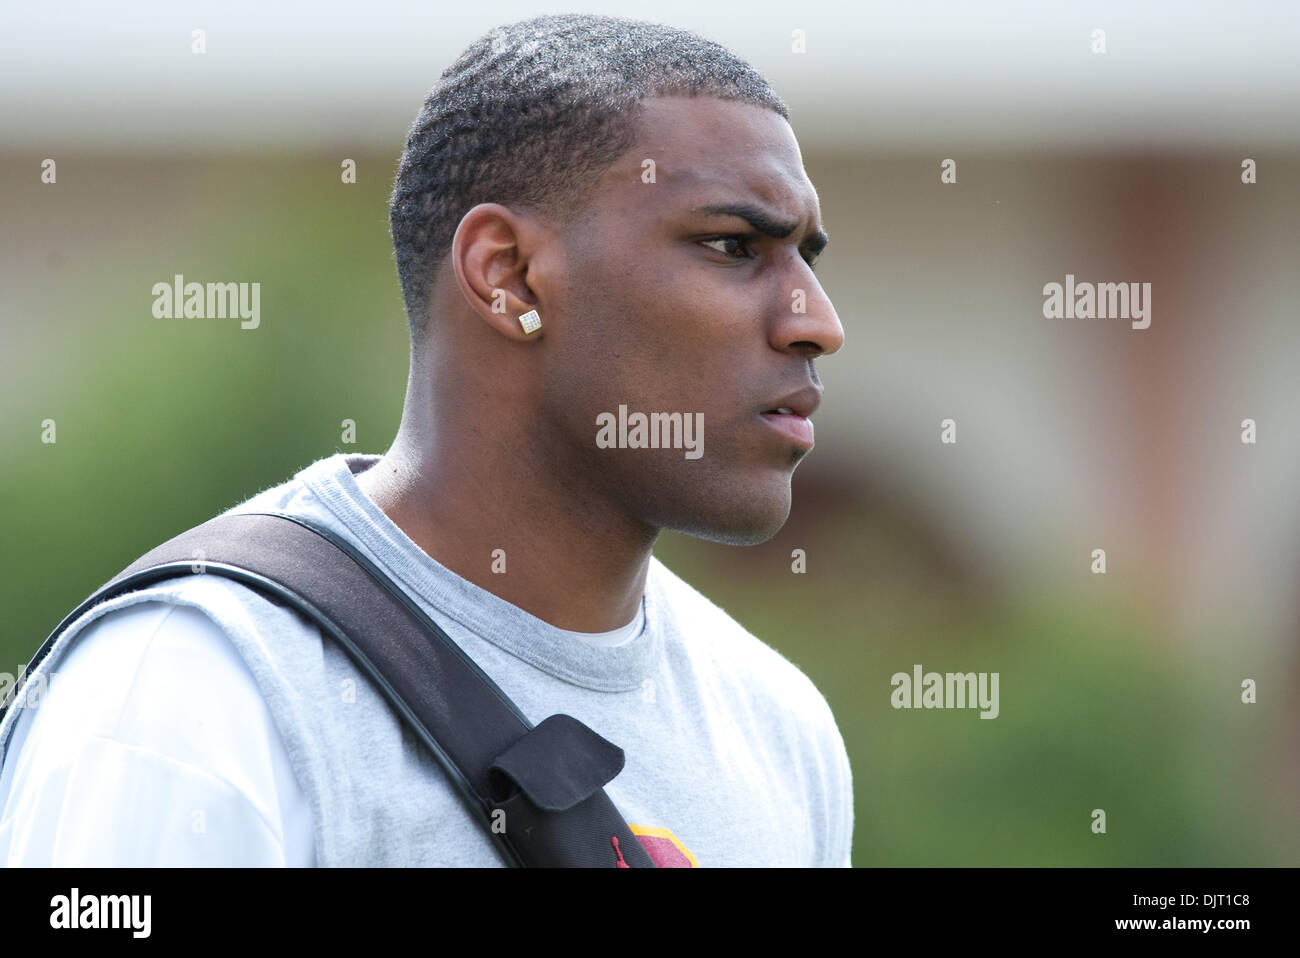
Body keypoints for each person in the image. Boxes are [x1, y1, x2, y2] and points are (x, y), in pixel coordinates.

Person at [0, 12, 851, 867]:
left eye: (808, 259)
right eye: (733, 245)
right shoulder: (192, 695)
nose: (818, 321)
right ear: (509, 275)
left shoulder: (780, 727)